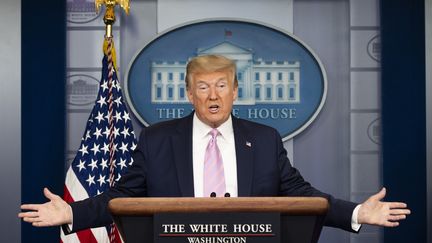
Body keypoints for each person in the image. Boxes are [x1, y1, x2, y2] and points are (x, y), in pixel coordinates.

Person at [19, 54, 410, 233]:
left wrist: (357, 213)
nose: (213, 95)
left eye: (222, 85)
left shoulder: (264, 139)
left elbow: (301, 195)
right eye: (203, 87)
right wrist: (72, 215)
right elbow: (122, 197)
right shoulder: (157, 140)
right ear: (189, 93)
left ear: (235, 91)